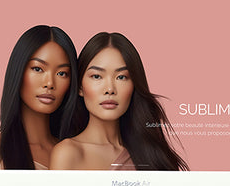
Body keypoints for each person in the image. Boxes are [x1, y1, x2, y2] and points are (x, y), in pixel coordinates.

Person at [49, 31, 188, 171]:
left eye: (121, 77)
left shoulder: (151, 154)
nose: (110, 89)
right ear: (80, 86)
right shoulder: (68, 153)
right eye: (97, 76)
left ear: (134, 85)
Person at [0, 25, 80, 170]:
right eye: (37, 69)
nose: (49, 83)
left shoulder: (74, 154)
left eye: (62, 73)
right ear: (18, 71)